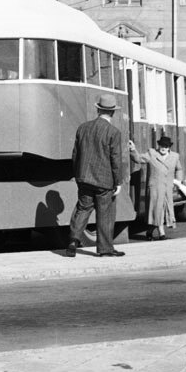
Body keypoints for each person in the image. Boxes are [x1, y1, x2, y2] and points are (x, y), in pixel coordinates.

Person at [65, 92, 128, 258]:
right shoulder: (113, 132)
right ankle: (105, 249)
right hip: (104, 181)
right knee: (105, 213)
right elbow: (115, 159)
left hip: (84, 178)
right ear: (113, 112)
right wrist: (118, 182)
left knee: (82, 208)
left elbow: (75, 155)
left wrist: (78, 174)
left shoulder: (83, 128)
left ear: (98, 110)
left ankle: (73, 241)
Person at [129, 134, 182, 241]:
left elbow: (179, 169)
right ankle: (162, 233)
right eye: (162, 145)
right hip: (155, 189)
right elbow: (138, 159)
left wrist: (178, 181)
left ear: (169, 147)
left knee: (163, 210)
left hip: (167, 189)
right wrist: (133, 149)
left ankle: (149, 231)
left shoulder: (175, 157)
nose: (163, 148)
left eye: (166, 146)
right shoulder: (152, 154)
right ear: (159, 145)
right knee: (157, 210)